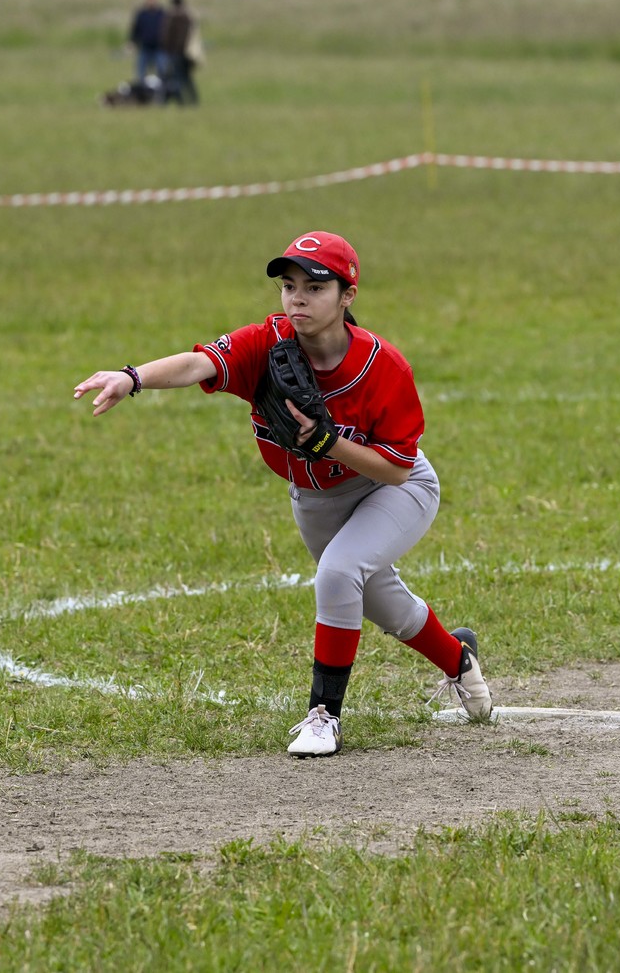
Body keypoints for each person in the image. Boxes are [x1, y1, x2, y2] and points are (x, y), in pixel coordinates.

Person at [72, 231, 493, 757]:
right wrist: (132, 378)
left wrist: (326, 441)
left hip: (394, 488)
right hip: (315, 499)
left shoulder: (383, 367)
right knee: (383, 605)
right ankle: (459, 659)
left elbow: (396, 470)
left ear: (348, 296)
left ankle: (324, 716)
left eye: (316, 286)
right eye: (289, 285)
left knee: (338, 573)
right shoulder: (267, 345)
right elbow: (197, 363)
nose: (297, 297)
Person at [158, 0, 199, 106]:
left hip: (176, 53)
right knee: (185, 77)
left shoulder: (175, 16)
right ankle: (193, 100)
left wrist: (171, 49)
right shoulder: (188, 16)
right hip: (185, 53)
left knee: (176, 77)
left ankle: (180, 101)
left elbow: (171, 36)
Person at [127, 0, 165, 85]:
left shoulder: (162, 13)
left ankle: (161, 93)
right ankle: (141, 92)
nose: (150, 0)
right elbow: (135, 29)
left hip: (159, 47)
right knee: (141, 72)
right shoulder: (141, 13)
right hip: (144, 47)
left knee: (162, 71)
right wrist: (132, 42)